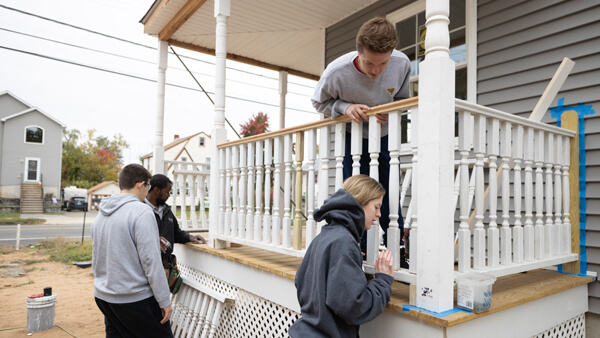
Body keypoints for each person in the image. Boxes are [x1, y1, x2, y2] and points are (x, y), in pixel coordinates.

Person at [311, 17, 411, 256]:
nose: (376, 72)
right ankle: (361, 248)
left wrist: (394, 109)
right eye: (369, 64)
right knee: (357, 193)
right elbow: (319, 102)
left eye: (382, 64)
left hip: (384, 136)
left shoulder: (402, 63)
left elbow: (403, 100)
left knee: (388, 189)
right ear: (358, 52)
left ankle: (396, 247)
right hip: (352, 137)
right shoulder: (336, 71)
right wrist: (344, 107)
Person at [289, 175, 394, 338]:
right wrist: (383, 281)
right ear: (361, 203)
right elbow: (354, 308)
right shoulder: (344, 243)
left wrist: (350, 264)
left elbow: (301, 282)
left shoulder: (325, 236)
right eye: (376, 207)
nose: (379, 214)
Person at [92, 163, 173, 337]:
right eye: (148, 186)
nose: (147, 192)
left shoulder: (101, 213)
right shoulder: (141, 212)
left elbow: (97, 256)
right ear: (140, 184)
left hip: (104, 296)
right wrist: (164, 301)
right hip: (133, 298)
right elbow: (151, 261)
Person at [145, 174, 206, 270]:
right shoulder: (141, 210)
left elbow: (176, 232)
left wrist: (190, 237)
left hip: (165, 266)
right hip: (146, 267)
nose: (169, 195)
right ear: (156, 190)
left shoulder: (166, 210)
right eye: (167, 192)